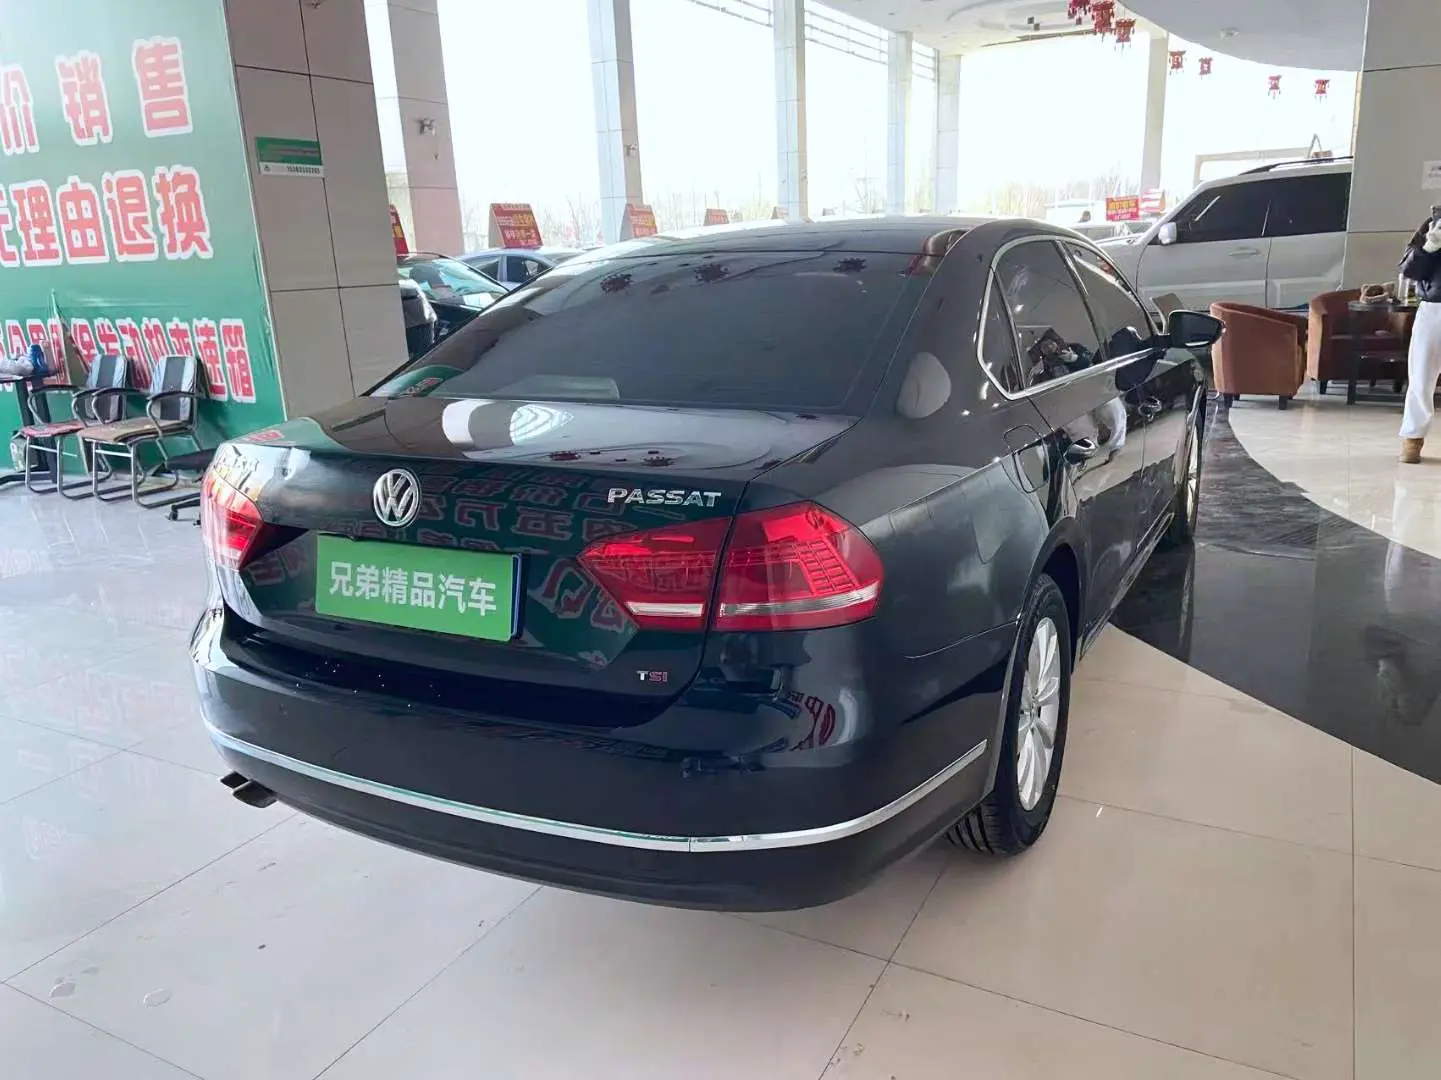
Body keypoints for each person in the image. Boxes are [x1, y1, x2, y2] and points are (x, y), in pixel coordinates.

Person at [1398, 212, 1441, 463]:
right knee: (1421, 375)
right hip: (1435, 308)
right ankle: (1413, 438)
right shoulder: (1434, 224)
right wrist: (1429, 247)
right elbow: (1409, 270)